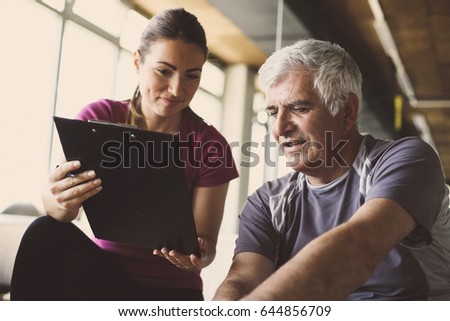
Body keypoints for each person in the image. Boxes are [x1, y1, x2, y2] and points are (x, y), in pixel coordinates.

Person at [11, 8, 238, 301]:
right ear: (137, 62)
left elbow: (206, 246)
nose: (177, 88)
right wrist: (57, 198)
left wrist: (199, 253)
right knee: (44, 230)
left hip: (170, 292)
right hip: (103, 274)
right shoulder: (99, 116)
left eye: (191, 76)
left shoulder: (210, 145)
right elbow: (59, 212)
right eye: (164, 71)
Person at [213, 39, 450, 301]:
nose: (280, 128)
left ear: (347, 111)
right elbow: (243, 280)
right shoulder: (267, 202)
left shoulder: (406, 160)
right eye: (272, 112)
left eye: (298, 108)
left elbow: (359, 248)